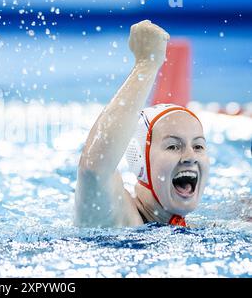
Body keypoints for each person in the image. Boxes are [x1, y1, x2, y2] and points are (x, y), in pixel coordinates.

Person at [74, 20, 209, 228]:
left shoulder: (199, 226)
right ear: (140, 161)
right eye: (173, 146)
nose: (190, 157)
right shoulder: (121, 220)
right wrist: (146, 63)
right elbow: (94, 168)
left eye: (198, 146)